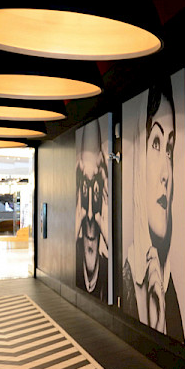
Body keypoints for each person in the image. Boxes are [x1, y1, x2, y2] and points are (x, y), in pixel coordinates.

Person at [123, 81, 185, 342]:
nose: (166, 174)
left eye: (169, 150)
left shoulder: (171, 299)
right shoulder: (124, 285)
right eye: (156, 144)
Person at [76, 119, 109, 301]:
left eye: (95, 192)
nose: (89, 214)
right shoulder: (71, 263)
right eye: (84, 190)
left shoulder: (113, 269)